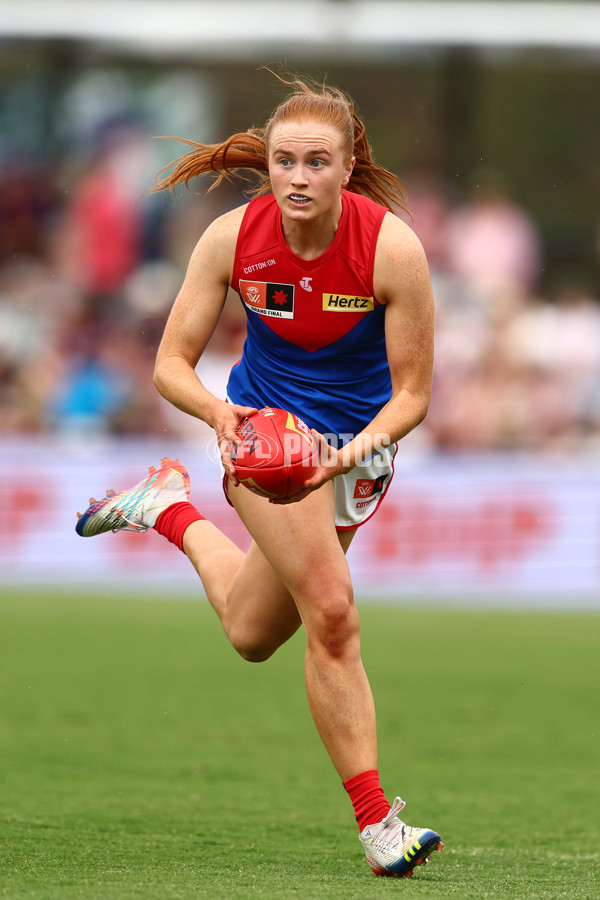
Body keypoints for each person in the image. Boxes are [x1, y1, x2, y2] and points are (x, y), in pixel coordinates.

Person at [75, 71, 442, 879]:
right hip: (264, 442)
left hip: (353, 455)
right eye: (284, 161)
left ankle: (166, 507)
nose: (299, 178)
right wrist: (219, 415)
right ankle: (379, 823)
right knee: (335, 615)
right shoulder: (231, 238)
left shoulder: (392, 249)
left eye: (317, 162)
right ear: (267, 166)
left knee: (251, 635)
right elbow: (171, 362)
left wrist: (349, 454)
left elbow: (414, 393)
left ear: (349, 168)